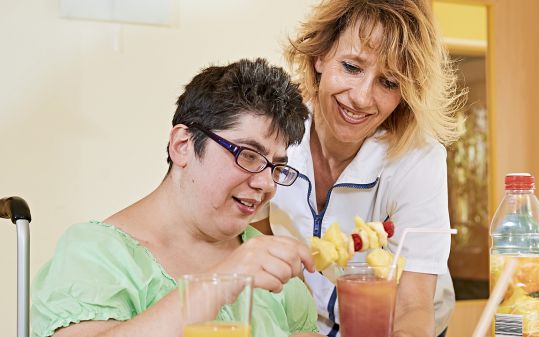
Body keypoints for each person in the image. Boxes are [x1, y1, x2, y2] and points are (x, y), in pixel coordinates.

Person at [31, 58, 324, 337]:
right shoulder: (96, 255)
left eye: (277, 167)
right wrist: (224, 280)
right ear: (182, 145)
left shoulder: (268, 263)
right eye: (248, 155)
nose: (265, 183)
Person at [253, 1, 464, 336]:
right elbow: (248, 244)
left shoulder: (418, 159)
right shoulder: (274, 135)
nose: (362, 98)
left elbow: (413, 305)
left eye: (389, 83)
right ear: (320, 56)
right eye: (351, 67)